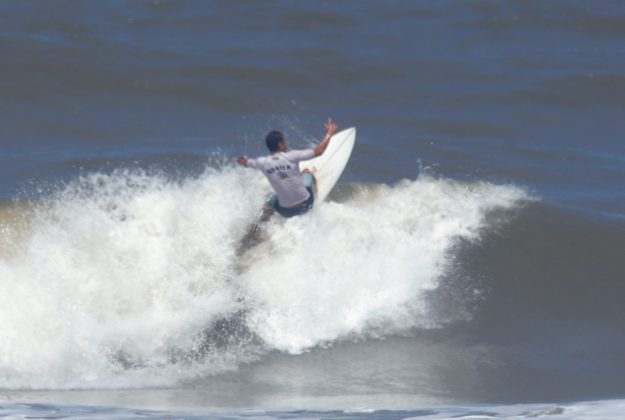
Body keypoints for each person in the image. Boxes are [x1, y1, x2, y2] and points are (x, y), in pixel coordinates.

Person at [237, 118, 338, 220]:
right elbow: (319, 151)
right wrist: (329, 132)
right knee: (307, 172)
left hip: (285, 212)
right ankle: (314, 191)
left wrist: (239, 159)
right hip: (306, 205)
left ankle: (260, 228)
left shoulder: (262, 162)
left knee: (269, 199)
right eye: (284, 141)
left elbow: (246, 163)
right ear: (280, 144)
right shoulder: (292, 156)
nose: (286, 142)